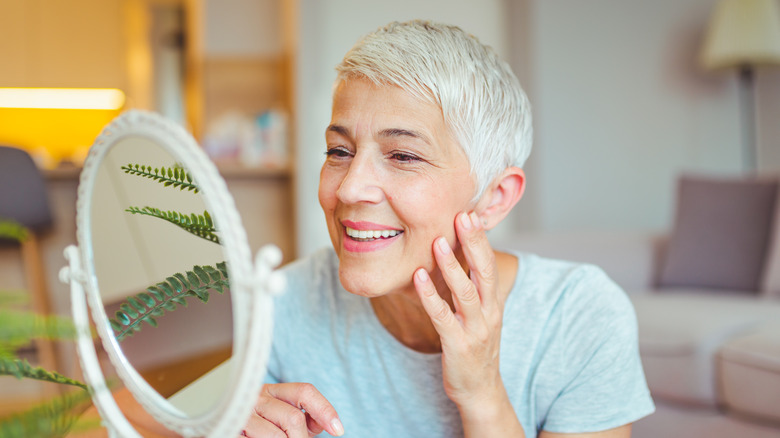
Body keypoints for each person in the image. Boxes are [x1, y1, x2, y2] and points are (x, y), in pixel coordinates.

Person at [241, 20, 654, 438]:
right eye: (339, 151)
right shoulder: (283, 301)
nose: (349, 187)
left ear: (495, 197)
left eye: (403, 156)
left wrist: (481, 392)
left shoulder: (578, 318)